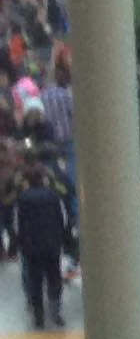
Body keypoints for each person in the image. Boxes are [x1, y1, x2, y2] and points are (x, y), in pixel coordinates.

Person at [9, 138, 69, 328]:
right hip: (52, 245)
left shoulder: (23, 198)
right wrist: (62, 237)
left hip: (31, 247)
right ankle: (55, 311)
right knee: (54, 277)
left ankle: (38, 316)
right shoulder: (53, 195)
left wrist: (17, 242)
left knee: (34, 280)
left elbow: (17, 223)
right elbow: (63, 218)